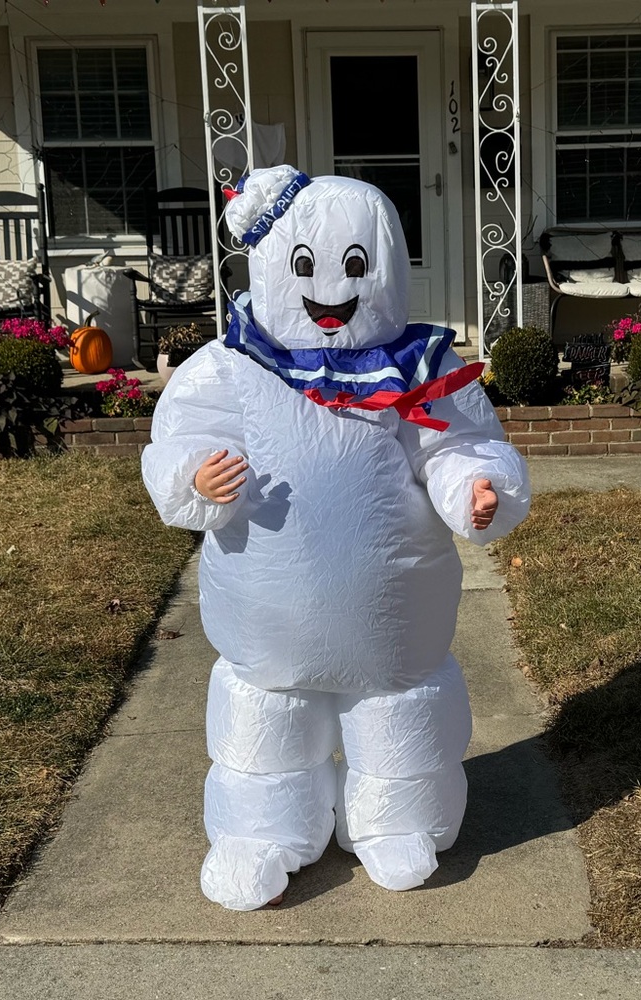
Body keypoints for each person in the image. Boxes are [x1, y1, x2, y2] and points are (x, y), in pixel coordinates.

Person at [142, 165, 530, 911]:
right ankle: (259, 831)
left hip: (391, 617)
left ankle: (399, 819)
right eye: (307, 265)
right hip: (268, 615)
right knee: (265, 713)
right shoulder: (233, 367)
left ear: (382, 267)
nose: (331, 287)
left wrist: (475, 488)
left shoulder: (417, 369)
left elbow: (454, 444)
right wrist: (194, 478)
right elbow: (182, 435)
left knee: (400, 707)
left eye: (355, 266)